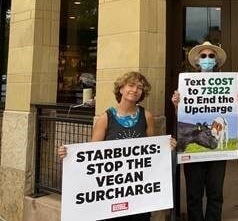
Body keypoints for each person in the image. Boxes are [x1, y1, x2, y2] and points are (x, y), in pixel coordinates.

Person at [58, 71, 177, 221]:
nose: (134, 90)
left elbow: (152, 152)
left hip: (138, 193)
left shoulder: (147, 116)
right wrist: (69, 155)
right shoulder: (105, 118)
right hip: (111, 195)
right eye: (131, 85)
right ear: (121, 89)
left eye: (139, 87)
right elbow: (92, 154)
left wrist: (166, 148)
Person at [171, 41, 238, 221]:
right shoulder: (186, 83)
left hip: (216, 152)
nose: (207, 59)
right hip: (194, 152)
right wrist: (176, 105)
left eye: (211, 56)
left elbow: (230, 112)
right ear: (197, 61)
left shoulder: (227, 84)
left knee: (215, 193)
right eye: (203, 56)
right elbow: (182, 114)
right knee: (194, 195)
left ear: (216, 61)